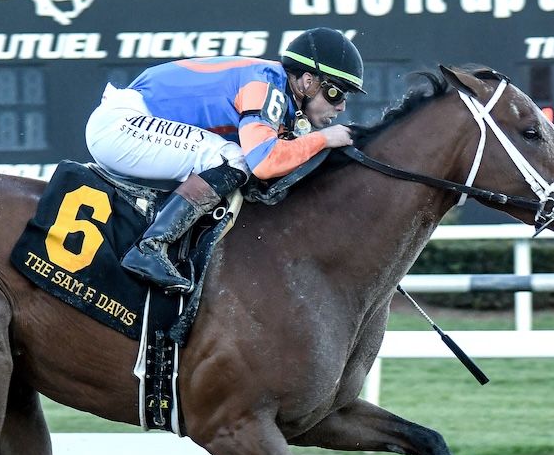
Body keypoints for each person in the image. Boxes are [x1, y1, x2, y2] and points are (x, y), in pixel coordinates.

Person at [85, 26, 363, 293]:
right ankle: (150, 247)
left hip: (130, 125)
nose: (341, 106)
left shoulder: (277, 90)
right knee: (234, 159)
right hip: (121, 126)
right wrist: (324, 138)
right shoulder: (267, 85)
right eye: (335, 92)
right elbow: (264, 162)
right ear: (308, 81)